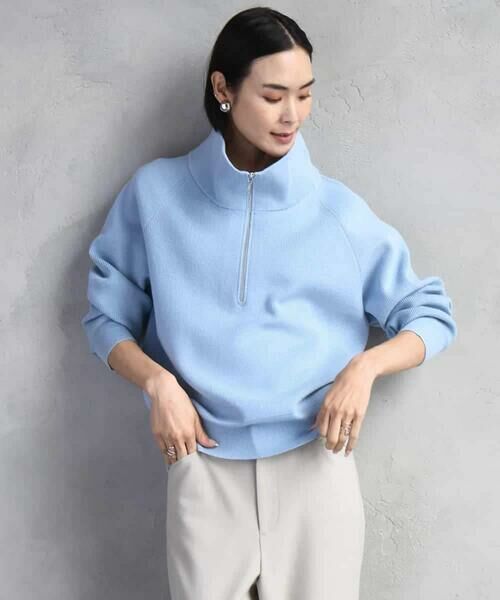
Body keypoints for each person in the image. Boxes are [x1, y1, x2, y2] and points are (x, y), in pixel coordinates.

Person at [81, 7, 457, 599]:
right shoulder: (155, 195)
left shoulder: (336, 211)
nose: (292, 116)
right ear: (223, 88)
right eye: (273, 95)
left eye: (304, 95)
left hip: (317, 466)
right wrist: (158, 383)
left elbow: (430, 313)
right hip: (201, 466)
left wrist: (364, 369)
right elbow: (106, 318)